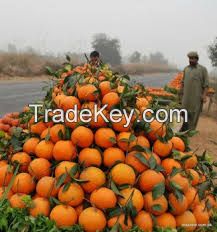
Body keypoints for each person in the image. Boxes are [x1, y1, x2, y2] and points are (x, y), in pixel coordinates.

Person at [180, 51, 209, 131]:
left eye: (193, 58)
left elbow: (206, 84)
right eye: (190, 58)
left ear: (197, 59)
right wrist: (180, 93)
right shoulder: (186, 69)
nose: (191, 60)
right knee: (184, 111)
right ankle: (182, 128)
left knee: (194, 113)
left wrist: (204, 95)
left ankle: (191, 130)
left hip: (196, 96)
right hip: (186, 96)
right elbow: (182, 82)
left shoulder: (202, 69)